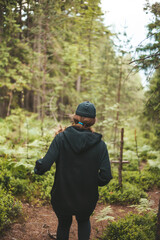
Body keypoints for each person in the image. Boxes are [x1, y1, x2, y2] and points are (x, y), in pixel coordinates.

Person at [34, 101, 112, 240]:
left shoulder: (60, 138)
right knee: (83, 221)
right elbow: (106, 176)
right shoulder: (100, 145)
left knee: (64, 224)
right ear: (93, 121)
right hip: (87, 197)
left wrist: (37, 167)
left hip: (62, 195)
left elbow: (44, 166)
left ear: (75, 117)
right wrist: (92, 182)